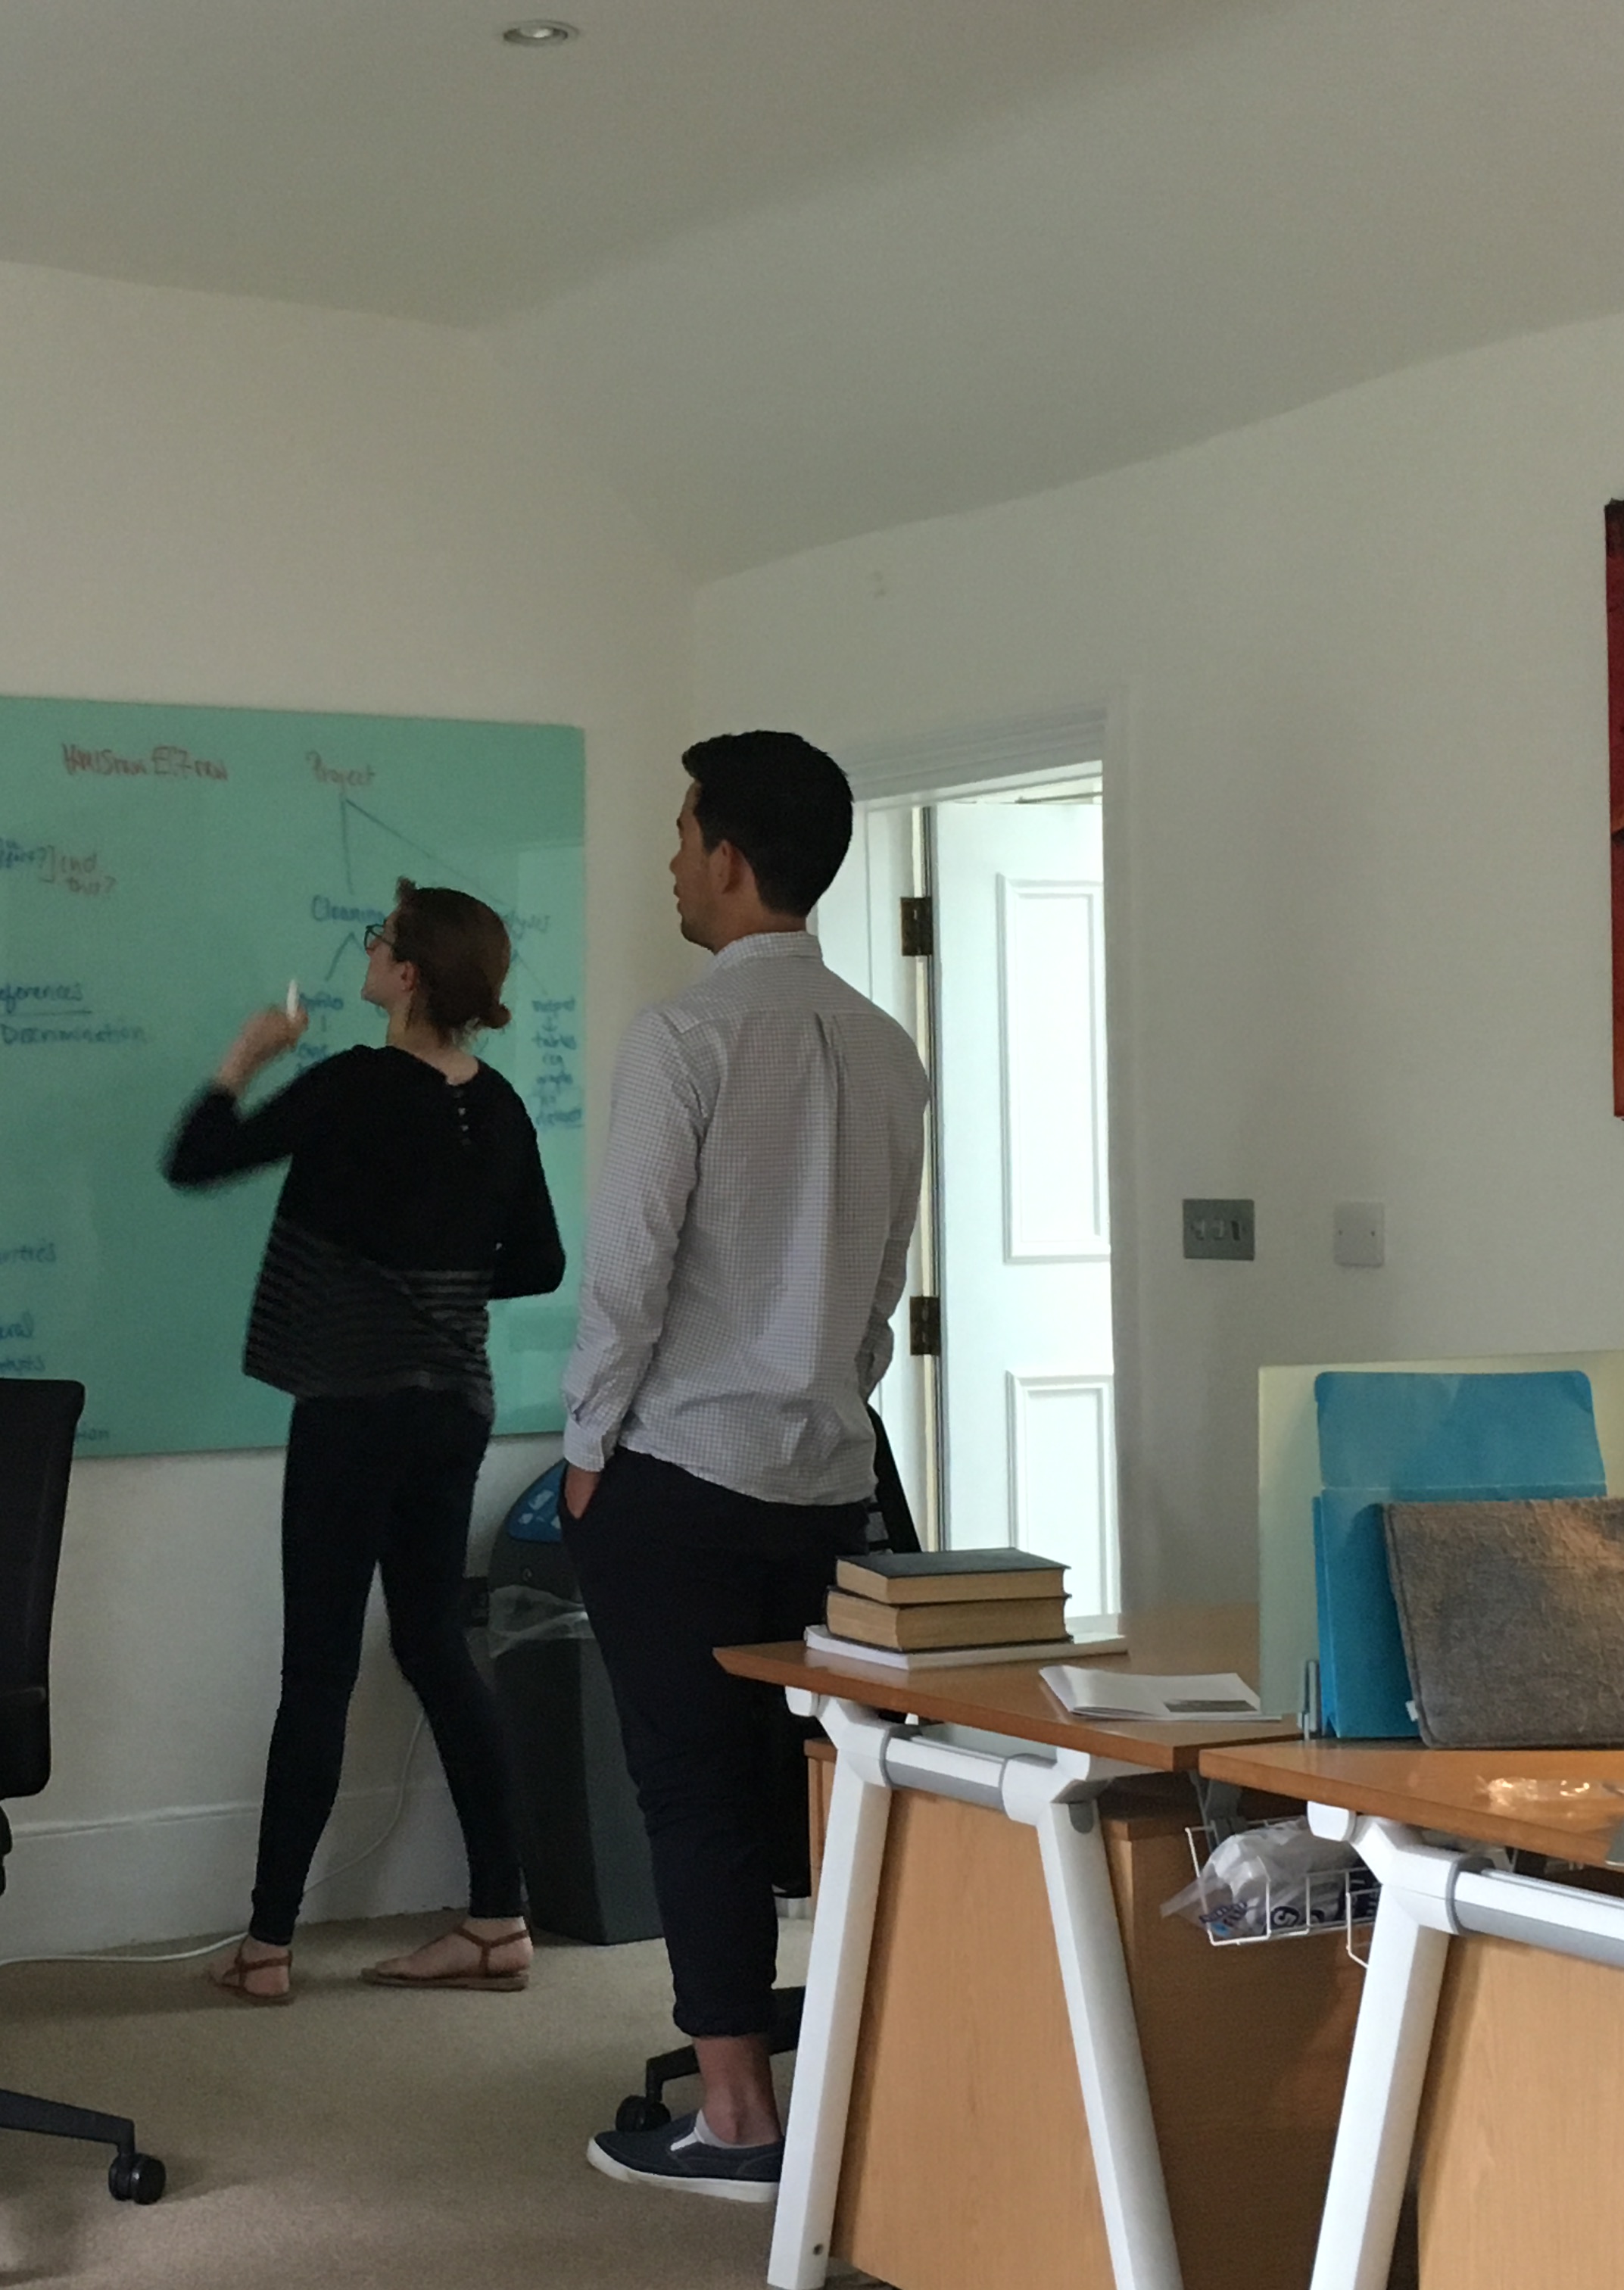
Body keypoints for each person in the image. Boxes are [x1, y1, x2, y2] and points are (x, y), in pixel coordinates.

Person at [563, 732, 927, 2200]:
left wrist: (587, 1450)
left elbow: (629, 1273)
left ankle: (737, 2115)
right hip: (830, 1480)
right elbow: (884, 1283)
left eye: (680, 832)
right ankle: (854, 2076)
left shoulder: (686, 1038)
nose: (668, 859)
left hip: (680, 1477)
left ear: (729, 855)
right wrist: (829, 1396)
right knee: (821, 1787)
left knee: (692, 1791)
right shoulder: (885, 1044)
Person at [164, 880, 568, 2005]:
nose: (371, 946)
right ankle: (498, 1919)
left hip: (350, 1408)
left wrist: (247, 1054)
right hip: (454, 1405)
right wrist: (435, 1277)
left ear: (409, 976)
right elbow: (538, 1263)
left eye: (383, 940)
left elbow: (198, 1158)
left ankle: (267, 1948)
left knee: (320, 1668)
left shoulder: (347, 1083)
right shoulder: (497, 1107)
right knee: (436, 1645)